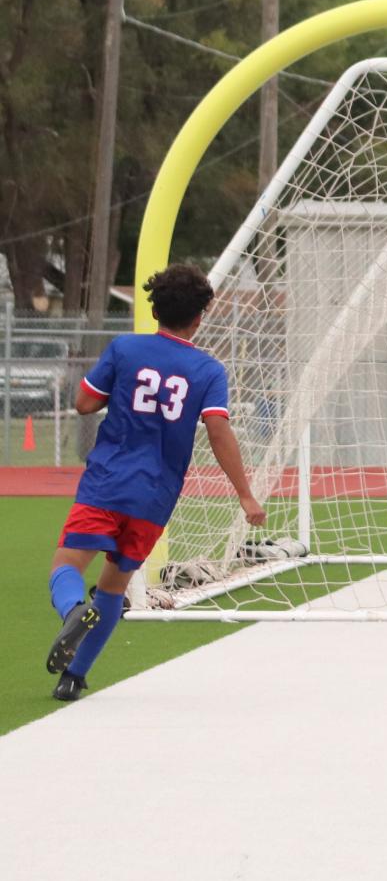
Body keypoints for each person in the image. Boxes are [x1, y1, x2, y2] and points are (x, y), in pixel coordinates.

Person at [46, 265, 265, 701]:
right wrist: (244, 494)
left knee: (66, 568)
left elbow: (85, 402)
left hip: (108, 482)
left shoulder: (126, 348)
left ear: (153, 308)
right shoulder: (208, 371)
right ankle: (74, 677)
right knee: (114, 585)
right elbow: (219, 432)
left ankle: (73, 611)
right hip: (156, 497)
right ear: (201, 316)